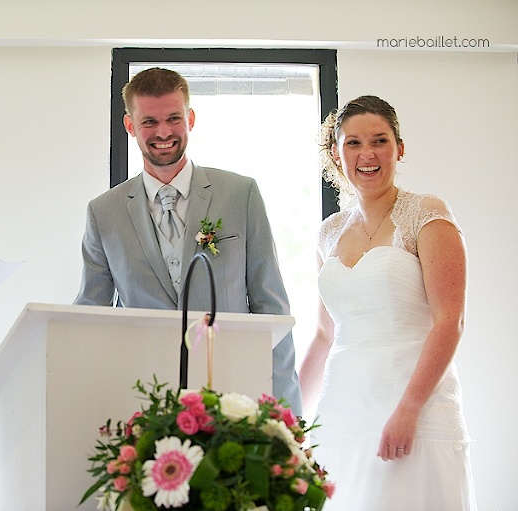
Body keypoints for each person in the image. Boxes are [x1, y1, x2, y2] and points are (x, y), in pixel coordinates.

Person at [74, 67, 302, 415]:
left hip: (233, 397)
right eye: (149, 121)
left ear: (190, 119)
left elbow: (272, 310)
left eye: (173, 118)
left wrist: (287, 412)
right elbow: (91, 318)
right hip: (145, 401)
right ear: (130, 126)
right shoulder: (103, 213)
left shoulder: (241, 194)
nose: (163, 132)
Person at [298, 95, 477, 510]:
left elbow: (450, 321)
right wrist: (292, 418)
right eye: (353, 143)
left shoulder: (427, 214)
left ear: (399, 147)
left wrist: (409, 409)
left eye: (379, 141)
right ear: (336, 153)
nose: (367, 154)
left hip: (414, 407)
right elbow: (325, 334)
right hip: (342, 412)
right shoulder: (328, 233)